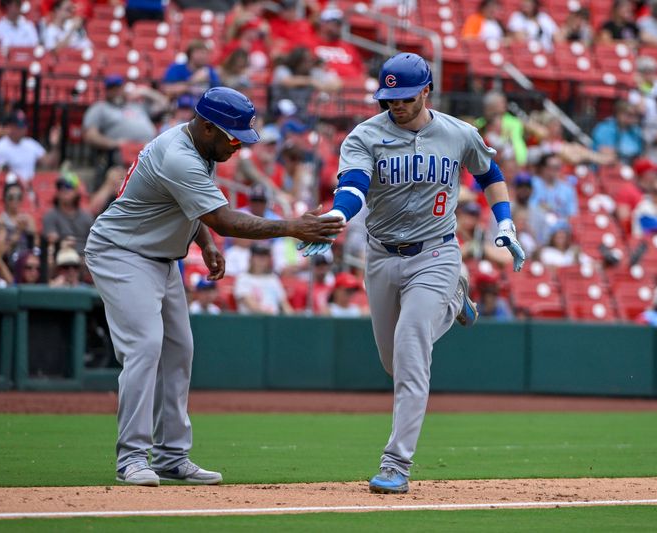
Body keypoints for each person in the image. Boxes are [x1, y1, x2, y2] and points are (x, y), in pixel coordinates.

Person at [83, 87, 344, 487]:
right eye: (234, 137)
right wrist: (292, 227)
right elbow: (224, 219)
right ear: (207, 127)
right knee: (145, 347)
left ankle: (171, 456)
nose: (239, 146)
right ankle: (132, 457)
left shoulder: (200, 146)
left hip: (159, 256)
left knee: (179, 350)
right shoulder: (179, 155)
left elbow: (190, 208)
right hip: (122, 253)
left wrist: (202, 242)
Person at [296, 53, 524, 494]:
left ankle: (396, 464)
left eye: (403, 97)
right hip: (382, 255)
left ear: (426, 92)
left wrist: (506, 221)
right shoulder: (365, 135)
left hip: (436, 253)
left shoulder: (458, 133)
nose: (394, 105)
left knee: (411, 348)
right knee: (393, 362)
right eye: (388, 97)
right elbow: (353, 187)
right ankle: (457, 301)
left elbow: (490, 172)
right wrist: (337, 219)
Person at [0, 110, 61, 182]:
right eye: (19, 126)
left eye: (24, 125)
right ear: (10, 126)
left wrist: (54, 145)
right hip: (10, 189)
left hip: (30, 188)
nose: (23, 129)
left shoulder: (30, 143)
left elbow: (49, 164)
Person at [233, 242, 293, 314]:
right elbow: (252, 306)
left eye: (265, 256)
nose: (262, 259)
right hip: (252, 321)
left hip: (273, 321)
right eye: (258, 255)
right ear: (251, 258)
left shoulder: (273, 278)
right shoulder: (243, 278)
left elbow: (285, 304)